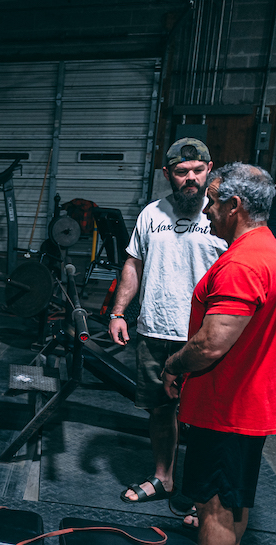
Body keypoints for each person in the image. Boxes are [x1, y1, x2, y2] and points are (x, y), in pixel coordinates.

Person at [159, 163, 276, 545]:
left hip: (227, 404)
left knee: (214, 504)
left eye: (212, 201)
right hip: (246, 401)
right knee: (233, 498)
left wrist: (173, 364)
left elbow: (211, 344)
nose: (206, 210)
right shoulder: (266, 248)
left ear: (235, 205)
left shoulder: (243, 263)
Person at [108, 138, 227, 504]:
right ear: (167, 174)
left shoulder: (222, 215)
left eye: (198, 170)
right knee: (160, 409)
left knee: (207, 419)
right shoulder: (151, 214)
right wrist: (118, 312)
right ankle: (164, 478)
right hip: (154, 330)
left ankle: (203, 495)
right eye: (181, 171)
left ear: (209, 170)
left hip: (204, 335)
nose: (190, 178)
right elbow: (133, 264)